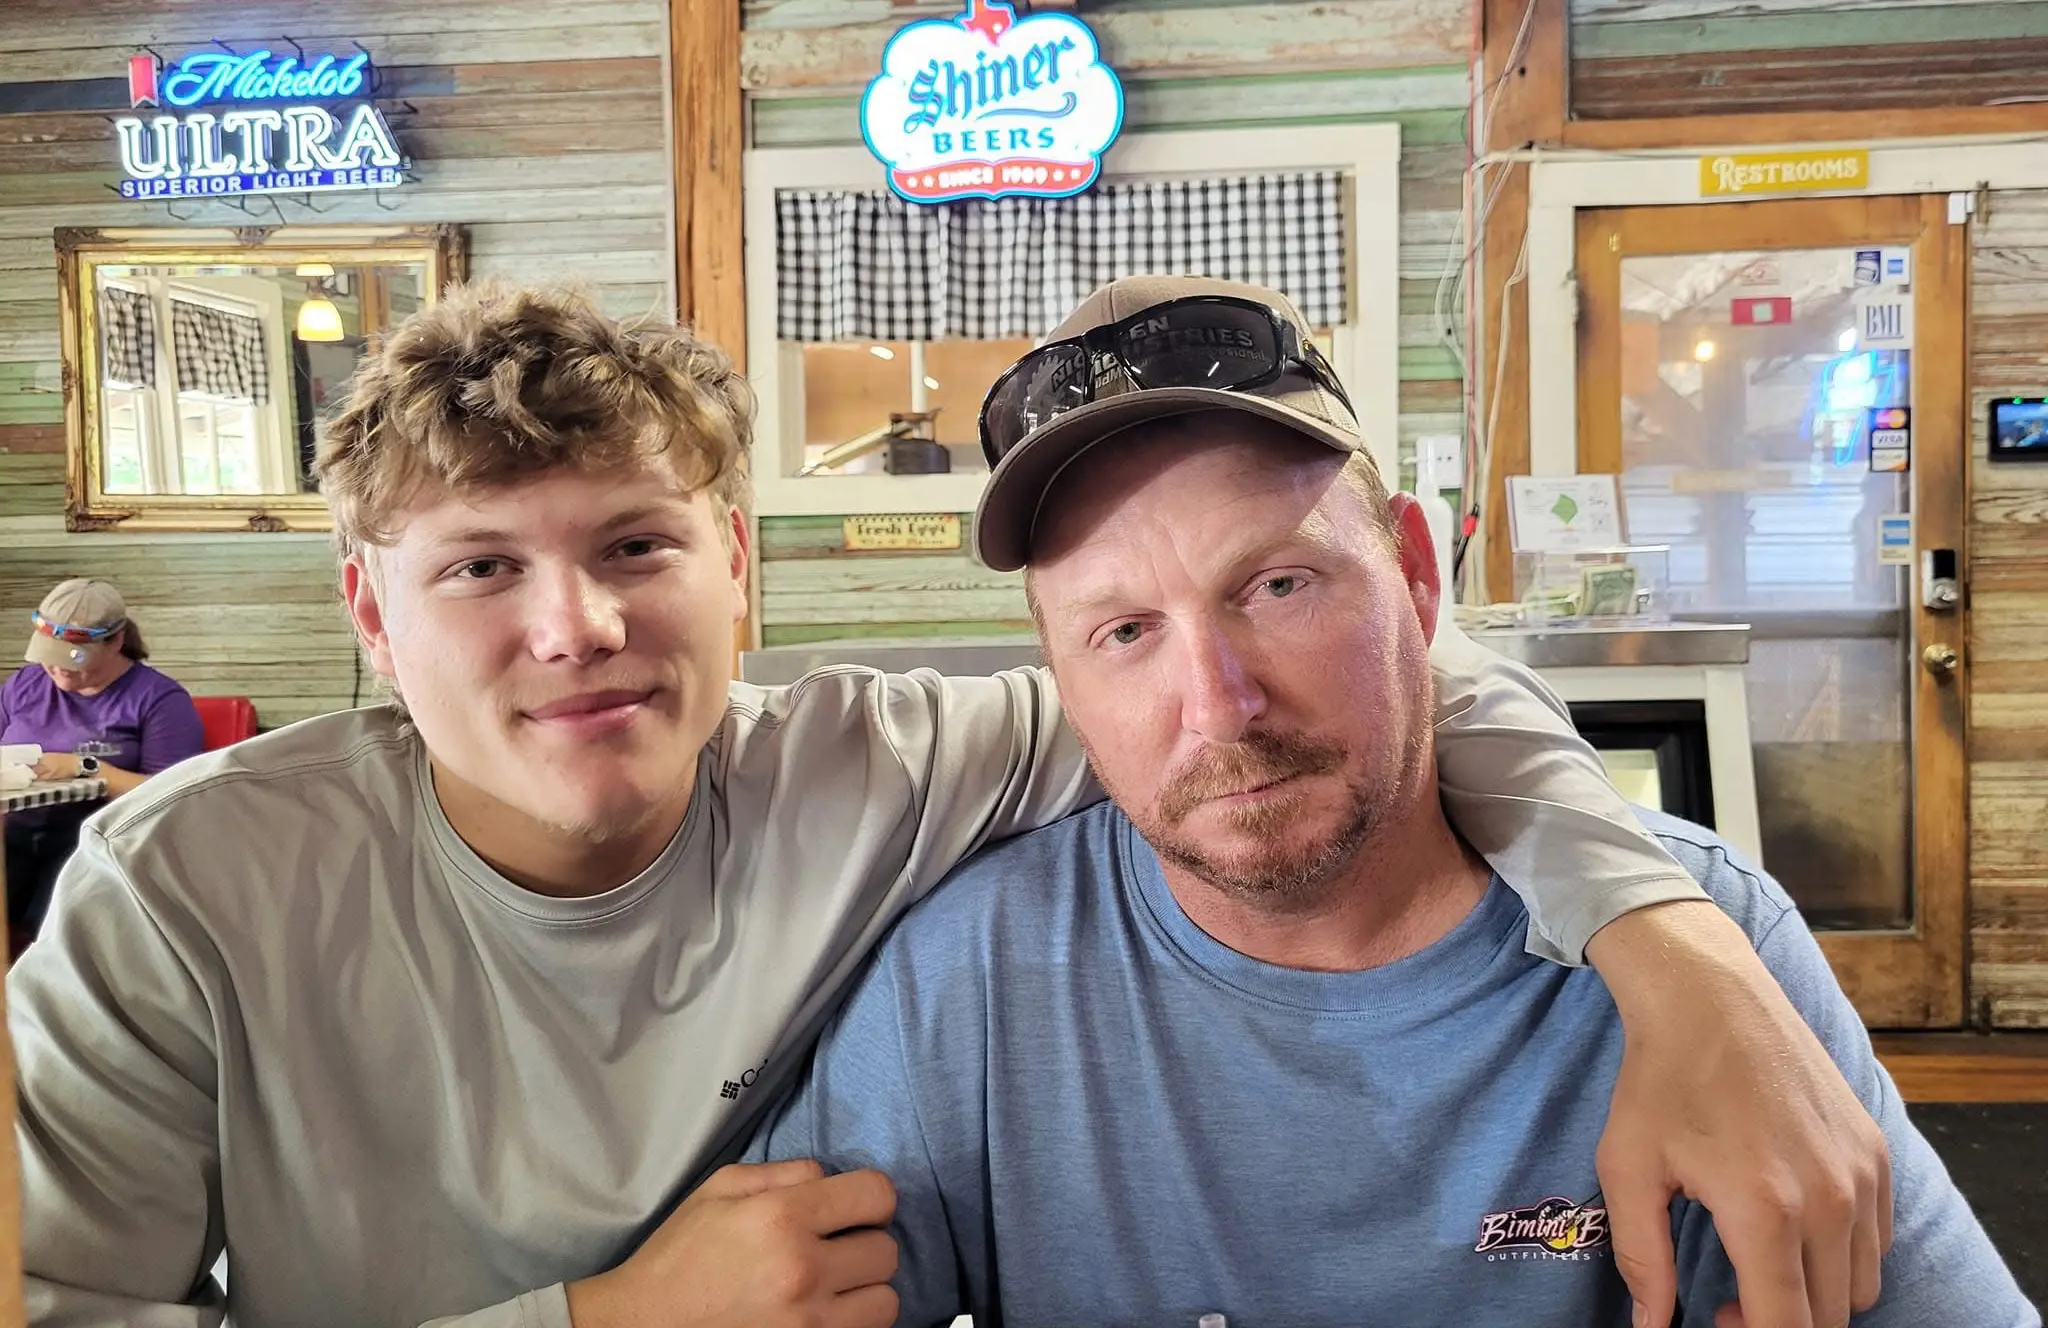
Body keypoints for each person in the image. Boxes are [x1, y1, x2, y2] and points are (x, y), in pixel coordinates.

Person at [10, 282, 1886, 1328]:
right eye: (479, 568)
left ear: (738, 568)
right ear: (367, 611)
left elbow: (1341, 695)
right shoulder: (175, 889)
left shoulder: (894, 766)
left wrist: (1675, 944)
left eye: (635, 545)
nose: (573, 629)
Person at [747, 276, 2037, 1328]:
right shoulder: (959, 990)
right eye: (1125, 630)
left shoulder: (1705, 954)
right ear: (1057, 679)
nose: (1219, 703)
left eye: (1279, 587)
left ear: (1417, 578)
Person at [2, 577, 204, 937]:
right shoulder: (24, 686)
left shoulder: (158, 700)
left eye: (74, 660)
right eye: (51, 656)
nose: (59, 669)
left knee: (53, 929)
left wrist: (87, 768)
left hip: (94, 847)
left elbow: (174, 796)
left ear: (116, 641)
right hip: (13, 838)